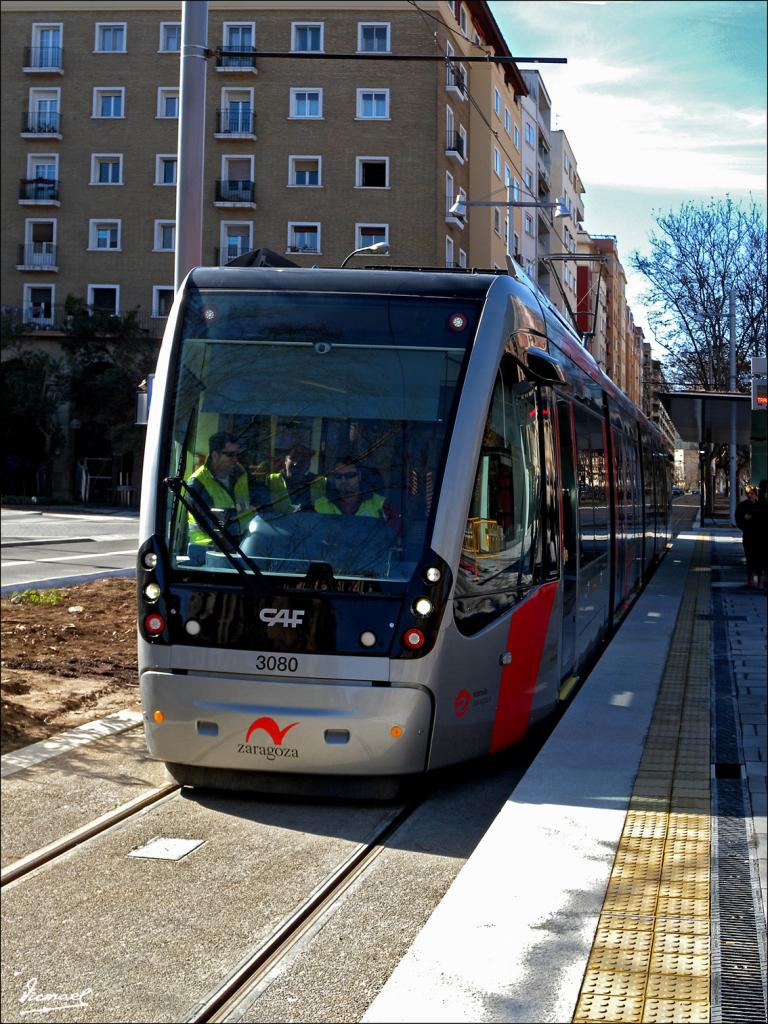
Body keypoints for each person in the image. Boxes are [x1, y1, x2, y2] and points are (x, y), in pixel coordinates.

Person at [187, 432, 251, 548]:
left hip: (241, 545)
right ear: (215, 455)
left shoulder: (240, 473)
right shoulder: (197, 483)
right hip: (207, 549)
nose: (235, 459)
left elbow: (247, 510)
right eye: (230, 455)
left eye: (237, 454)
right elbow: (209, 525)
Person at [314, 455, 402, 536]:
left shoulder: (381, 505)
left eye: (349, 475)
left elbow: (393, 536)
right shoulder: (319, 506)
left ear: (359, 476)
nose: (343, 480)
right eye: (338, 476)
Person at [267, 444, 324, 513]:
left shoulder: (320, 483)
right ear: (285, 460)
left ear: (308, 464)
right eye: (293, 458)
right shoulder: (270, 480)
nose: (296, 463)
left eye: (303, 460)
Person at [735, 484, 762, 588]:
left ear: (756, 494)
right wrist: (744, 523)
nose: (750, 495)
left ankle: (760, 581)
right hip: (748, 535)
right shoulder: (742, 506)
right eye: (748, 494)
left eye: (752, 493)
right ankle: (750, 580)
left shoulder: (761, 506)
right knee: (749, 557)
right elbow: (738, 519)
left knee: (760, 558)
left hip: (760, 537)